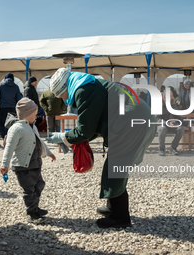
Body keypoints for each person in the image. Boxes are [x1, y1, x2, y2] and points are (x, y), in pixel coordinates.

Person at [46, 68, 156, 228]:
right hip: (136, 119)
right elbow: (95, 125)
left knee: (115, 168)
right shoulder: (87, 84)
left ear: (64, 89)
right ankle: (112, 208)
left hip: (132, 123)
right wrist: (72, 139)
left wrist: (64, 137)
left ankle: (120, 218)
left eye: (61, 96)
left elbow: (85, 130)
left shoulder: (83, 90)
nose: (63, 100)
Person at [0, 98, 56, 223]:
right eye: (34, 114)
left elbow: (39, 142)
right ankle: (31, 213)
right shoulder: (16, 129)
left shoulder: (32, 126)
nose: (36, 117)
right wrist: (5, 164)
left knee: (39, 185)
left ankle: (35, 207)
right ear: (26, 114)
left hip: (35, 163)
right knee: (29, 189)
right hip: (23, 166)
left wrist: (49, 153)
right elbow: (9, 147)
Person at [0, 72, 21, 139]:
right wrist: (18, 110)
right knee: (10, 124)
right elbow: (18, 99)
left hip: (2, 108)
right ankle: (9, 137)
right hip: (12, 109)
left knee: (1, 123)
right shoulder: (16, 87)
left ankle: (4, 136)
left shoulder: (1, 85)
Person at [156, 90, 187, 156]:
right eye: (170, 96)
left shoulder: (173, 104)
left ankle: (173, 148)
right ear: (164, 97)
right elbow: (157, 119)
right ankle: (161, 149)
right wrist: (167, 123)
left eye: (172, 96)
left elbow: (177, 116)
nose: (172, 98)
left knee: (181, 128)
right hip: (161, 125)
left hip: (171, 125)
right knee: (162, 129)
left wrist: (187, 123)